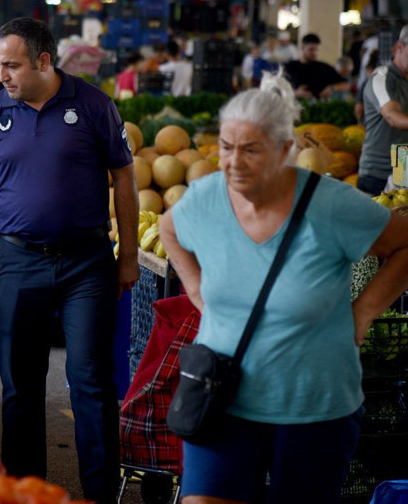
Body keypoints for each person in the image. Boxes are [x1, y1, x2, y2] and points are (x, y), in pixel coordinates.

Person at [158, 73, 408, 504]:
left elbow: (403, 244)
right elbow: (168, 228)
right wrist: (196, 288)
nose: (234, 162)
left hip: (314, 407)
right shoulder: (205, 198)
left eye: (251, 150)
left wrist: (364, 312)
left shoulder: (330, 206)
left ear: (285, 150)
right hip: (221, 399)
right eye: (226, 147)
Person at [0, 17, 139, 504]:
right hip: (17, 261)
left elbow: (125, 180)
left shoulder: (95, 105)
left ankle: (101, 494)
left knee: (92, 382)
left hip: (87, 264)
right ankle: (25, 491)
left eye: (11, 65)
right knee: (19, 387)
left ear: (43, 60)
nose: (2, 76)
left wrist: (129, 255)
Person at [357, 25, 408, 196]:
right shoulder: (382, 78)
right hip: (377, 174)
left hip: (402, 165)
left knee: (402, 220)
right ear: (399, 47)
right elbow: (392, 117)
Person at [283, 33, 349, 100]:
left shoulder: (323, 68)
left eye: (316, 50)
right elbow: (278, 88)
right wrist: (296, 93)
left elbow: (345, 85)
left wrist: (332, 88)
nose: (314, 53)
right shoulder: (290, 67)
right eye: (311, 49)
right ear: (302, 47)